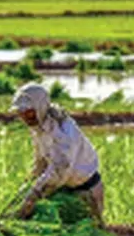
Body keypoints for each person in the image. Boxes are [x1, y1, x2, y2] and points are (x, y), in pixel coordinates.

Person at [11, 83, 104, 223]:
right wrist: (28, 184)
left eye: (29, 112)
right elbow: (41, 161)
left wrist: (35, 193)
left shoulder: (62, 130)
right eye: (21, 113)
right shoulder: (38, 127)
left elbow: (61, 168)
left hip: (86, 191)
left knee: (89, 231)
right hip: (64, 188)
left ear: (40, 107)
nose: (25, 117)